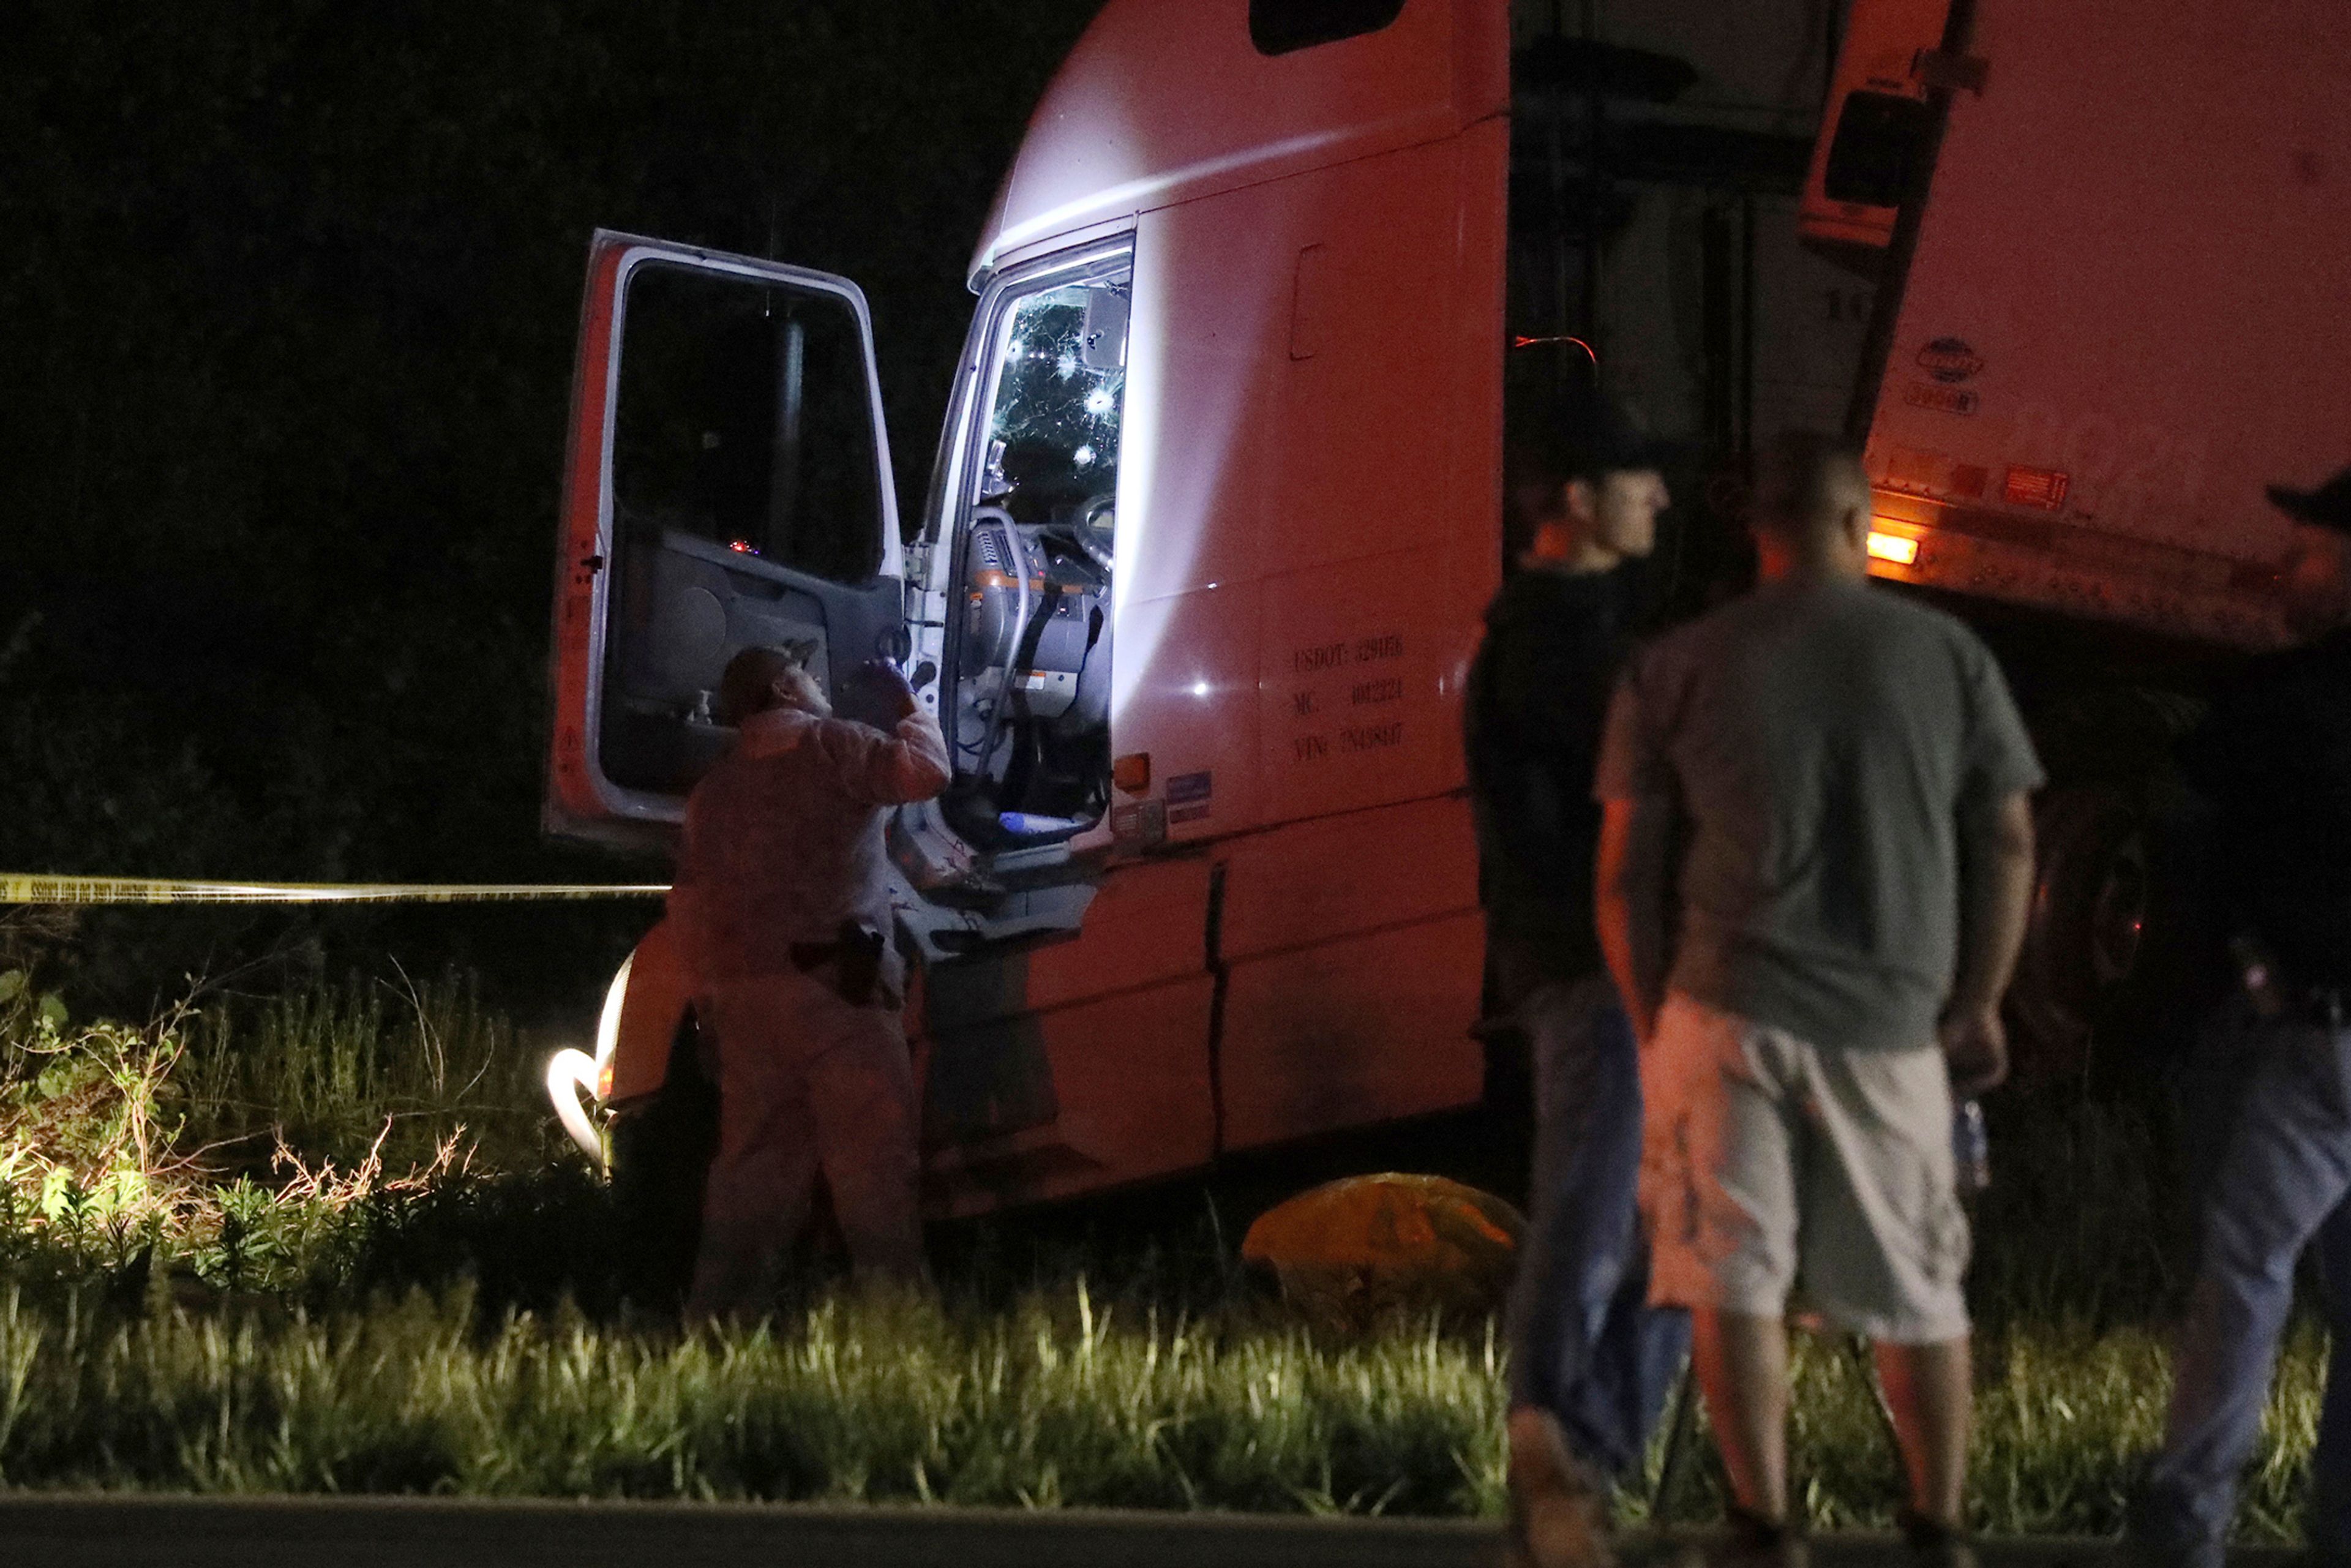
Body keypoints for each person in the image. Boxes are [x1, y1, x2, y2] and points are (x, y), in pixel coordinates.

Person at [1593, 432, 2041, 1562]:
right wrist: (1980, 1000)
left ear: (1762, 531)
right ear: (1858, 522)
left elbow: (1624, 875)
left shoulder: (1679, 663)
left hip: (1726, 1005)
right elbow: (2006, 837)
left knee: (1731, 1274)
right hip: (1892, 1024)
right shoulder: (1948, 657)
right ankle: (1936, 1521)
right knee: (1919, 1288)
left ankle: (1763, 1523)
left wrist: (1653, 1016)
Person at [1466, 388, 1687, 1568]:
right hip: (1594, 970)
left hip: (1600, 965)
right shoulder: (1557, 642)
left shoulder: (1578, 629)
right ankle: (1553, 1450)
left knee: (1666, 1227)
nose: (1660, 494)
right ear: (1576, 500)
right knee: (1602, 1213)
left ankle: (1582, 1464)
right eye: (1636, 476)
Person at [2126, 467, 2351, 1568]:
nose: (2286, 568)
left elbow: (2194, 845)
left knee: (2246, 1274)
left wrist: (2235, 973)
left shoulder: (2276, 706)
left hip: (2310, 1039)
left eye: (2310, 550)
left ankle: (2189, 1520)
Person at [667, 642, 951, 1318]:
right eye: (804, 672)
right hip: (838, 1001)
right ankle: (904, 1337)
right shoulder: (833, 745)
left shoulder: (713, 791)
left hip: (746, 1006)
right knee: (874, 1179)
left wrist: (709, 1008)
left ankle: (716, 1336)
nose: (818, 680)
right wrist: (909, 702)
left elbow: (690, 906)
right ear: (785, 690)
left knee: (751, 1188)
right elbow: (929, 772)